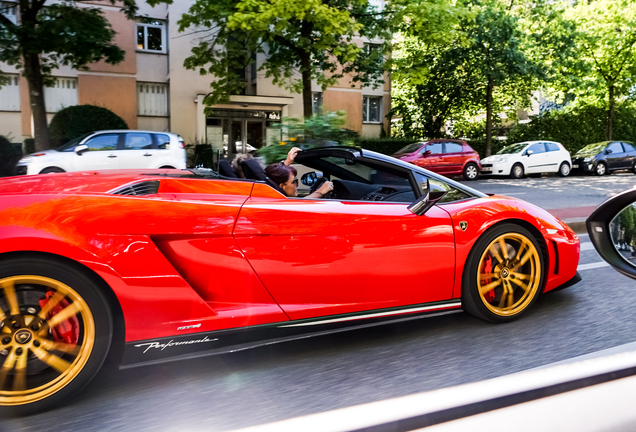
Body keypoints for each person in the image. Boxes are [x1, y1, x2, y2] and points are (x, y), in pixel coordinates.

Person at [264, 147, 334, 198]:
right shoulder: (279, 205)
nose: (297, 185)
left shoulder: (272, 201)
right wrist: (320, 192)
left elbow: (273, 181)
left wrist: (286, 163)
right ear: (282, 186)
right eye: (294, 182)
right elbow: (299, 205)